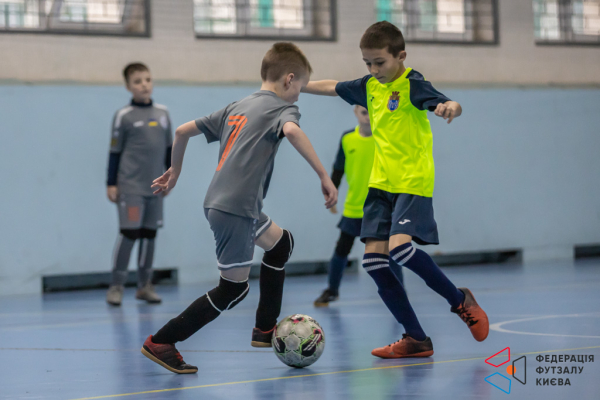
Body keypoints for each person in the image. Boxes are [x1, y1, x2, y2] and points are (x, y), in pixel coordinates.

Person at [140, 43, 337, 374]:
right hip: (236, 209)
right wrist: (323, 175)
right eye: (300, 87)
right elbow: (291, 131)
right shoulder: (283, 109)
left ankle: (264, 328)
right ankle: (161, 341)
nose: (299, 95)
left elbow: (182, 131)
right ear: (289, 79)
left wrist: (175, 170)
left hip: (226, 203)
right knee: (232, 290)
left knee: (281, 244)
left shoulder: (238, 106)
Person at [302, 21, 489, 358]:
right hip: (380, 185)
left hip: (412, 181)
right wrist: (298, 86)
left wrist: (451, 107)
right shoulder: (370, 86)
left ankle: (460, 300)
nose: (374, 70)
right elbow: (333, 86)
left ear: (401, 56)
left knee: (400, 250)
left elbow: (449, 103)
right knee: (374, 262)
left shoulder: (413, 85)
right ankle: (416, 338)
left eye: (380, 62)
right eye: (368, 64)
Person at [314, 105, 403, 307]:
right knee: (341, 249)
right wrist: (332, 193)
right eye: (364, 112)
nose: (368, 117)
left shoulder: (385, 138)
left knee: (389, 252)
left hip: (381, 208)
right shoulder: (347, 139)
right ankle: (332, 290)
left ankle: (400, 292)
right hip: (354, 208)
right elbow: (338, 169)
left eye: (371, 112)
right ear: (356, 112)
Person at [106, 63, 172, 306]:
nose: (144, 85)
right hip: (130, 187)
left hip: (155, 187)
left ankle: (145, 286)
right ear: (128, 87)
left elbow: (169, 150)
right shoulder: (123, 116)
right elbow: (114, 152)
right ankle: (116, 286)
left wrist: (169, 178)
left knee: (150, 235)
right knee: (130, 234)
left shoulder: (163, 113)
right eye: (137, 81)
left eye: (147, 79)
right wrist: (111, 183)